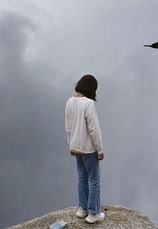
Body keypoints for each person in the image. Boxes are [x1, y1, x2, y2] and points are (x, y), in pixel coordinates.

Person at [65, 74, 105, 224]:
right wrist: (100, 150)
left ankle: (83, 209)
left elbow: (67, 127)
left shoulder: (69, 101)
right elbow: (94, 129)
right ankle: (94, 212)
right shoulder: (88, 104)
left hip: (76, 146)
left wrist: (71, 145)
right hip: (88, 148)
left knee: (82, 178)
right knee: (94, 180)